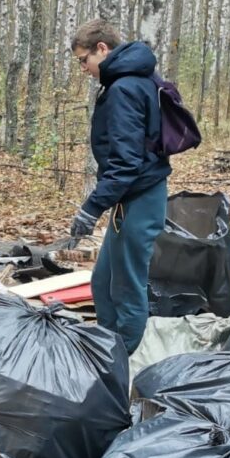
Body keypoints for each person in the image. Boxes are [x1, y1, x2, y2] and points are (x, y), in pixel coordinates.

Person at [68, 19, 171, 355]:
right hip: (129, 197)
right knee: (103, 281)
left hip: (140, 197)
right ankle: (106, 348)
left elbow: (126, 162)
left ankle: (122, 362)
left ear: (102, 49)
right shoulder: (127, 82)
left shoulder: (125, 88)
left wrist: (91, 208)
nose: (83, 68)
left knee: (128, 287)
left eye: (84, 60)